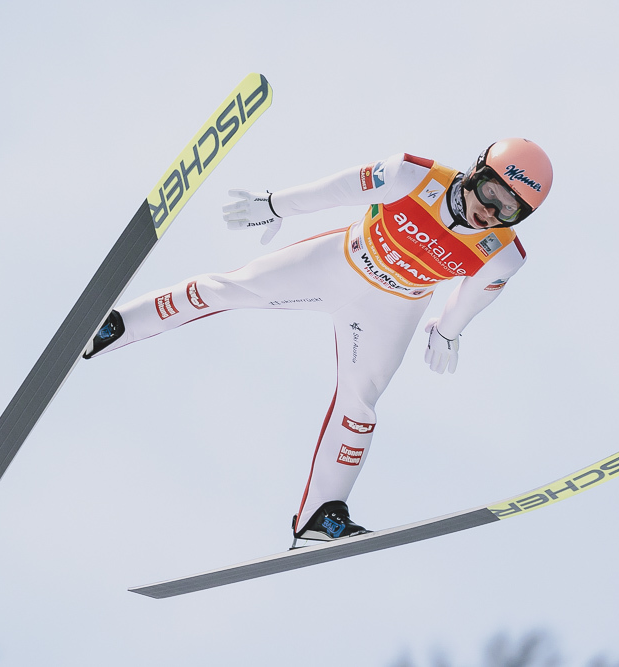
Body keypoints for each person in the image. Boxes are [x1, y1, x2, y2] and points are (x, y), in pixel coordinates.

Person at [82, 138, 553, 545]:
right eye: (490, 192)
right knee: (228, 289)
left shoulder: (503, 253)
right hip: (337, 264)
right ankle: (117, 325)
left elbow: (472, 297)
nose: (490, 212)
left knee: (360, 404)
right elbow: (337, 190)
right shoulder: (412, 175)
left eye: (508, 209)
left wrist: (448, 331)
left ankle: (319, 515)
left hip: (392, 309)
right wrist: (275, 205)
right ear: (476, 171)